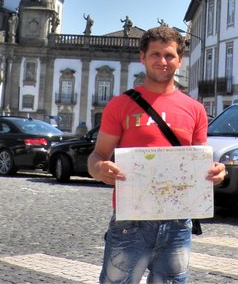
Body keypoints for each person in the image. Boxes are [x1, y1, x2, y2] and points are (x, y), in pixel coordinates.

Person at [88, 25, 226, 284]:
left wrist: (215, 173)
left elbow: (198, 164)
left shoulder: (195, 110)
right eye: (155, 55)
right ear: (143, 57)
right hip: (130, 221)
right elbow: (97, 156)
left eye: (170, 55)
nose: (163, 61)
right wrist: (99, 170)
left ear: (179, 60)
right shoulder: (120, 105)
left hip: (177, 223)